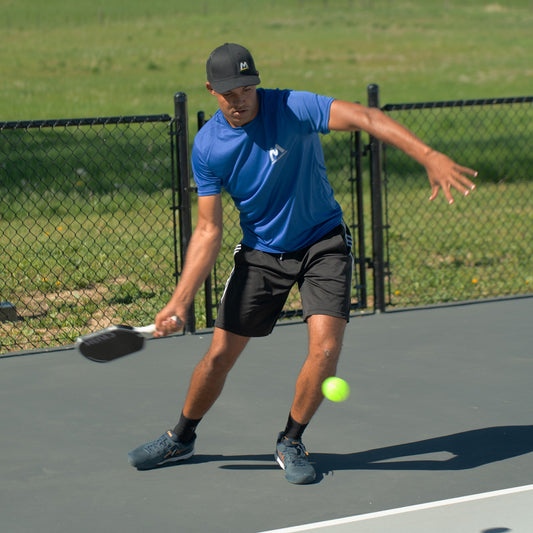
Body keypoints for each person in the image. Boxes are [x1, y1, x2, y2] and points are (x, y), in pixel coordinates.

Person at [128, 43, 477, 484]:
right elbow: (208, 229)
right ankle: (181, 437)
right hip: (261, 253)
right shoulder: (208, 146)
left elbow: (366, 118)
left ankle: (291, 440)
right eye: (230, 93)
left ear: (256, 83)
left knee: (326, 349)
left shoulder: (293, 107)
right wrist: (180, 300)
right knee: (218, 356)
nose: (240, 100)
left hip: (322, 242)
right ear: (211, 91)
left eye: (247, 89)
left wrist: (428, 155)